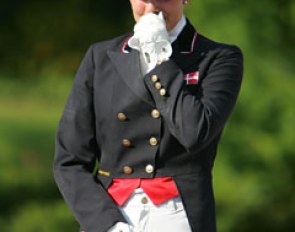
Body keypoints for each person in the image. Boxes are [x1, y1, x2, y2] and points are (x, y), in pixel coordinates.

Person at [53, 0, 243, 232]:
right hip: (111, 213)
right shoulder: (99, 57)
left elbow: (194, 132)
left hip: (177, 212)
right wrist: (106, 224)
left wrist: (158, 59)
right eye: (144, 0)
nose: (152, 9)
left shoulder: (219, 57)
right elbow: (69, 160)